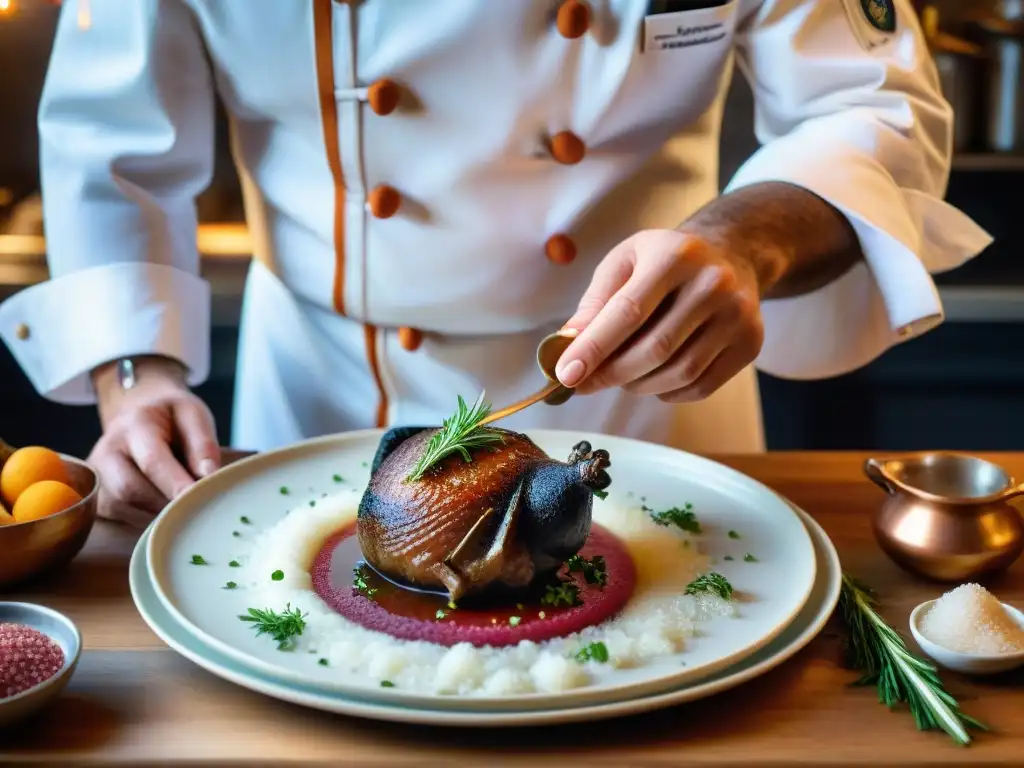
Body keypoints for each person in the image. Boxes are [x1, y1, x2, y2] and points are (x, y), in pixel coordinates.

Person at [0, 0, 991, 522]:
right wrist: (134, 382)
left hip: (648, 391)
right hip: (322, 396)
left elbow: (872, 106)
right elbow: (111, 139)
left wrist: (746, 242)